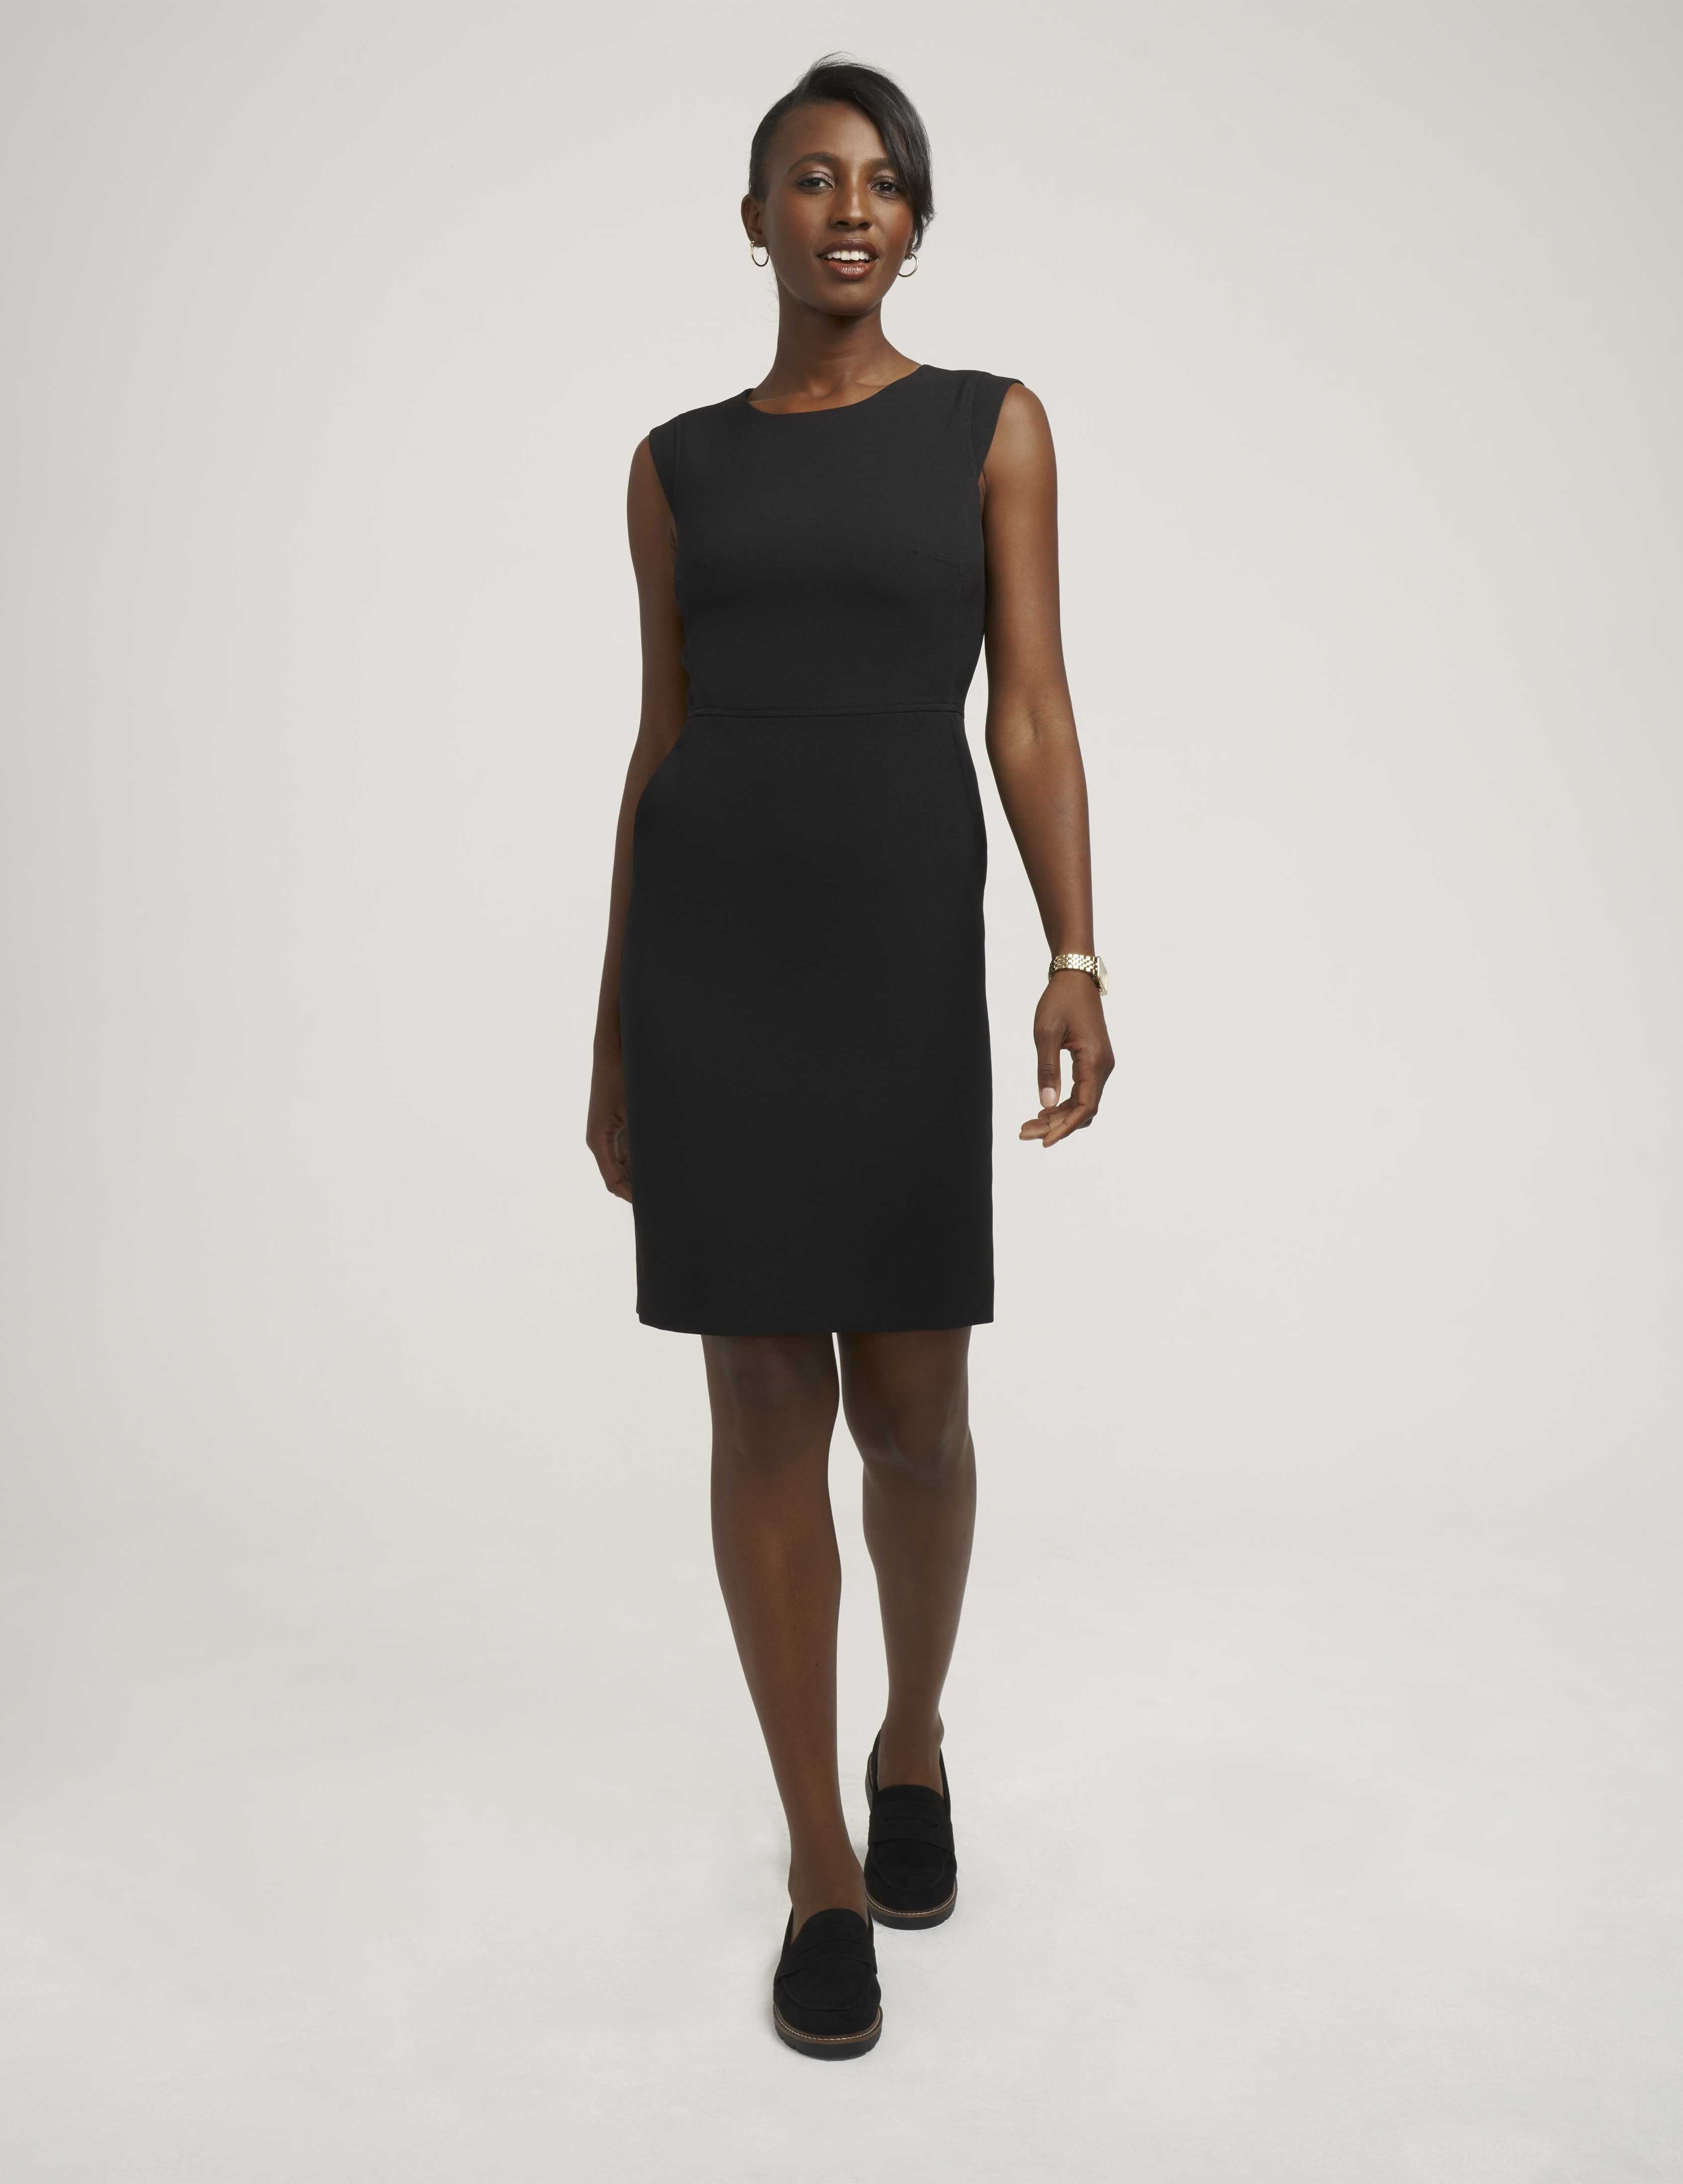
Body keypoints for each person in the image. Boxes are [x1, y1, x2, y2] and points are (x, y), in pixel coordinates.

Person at [586, 54, 1113, 2060]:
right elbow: (658, 744)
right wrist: (615, 1028)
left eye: (882, 180)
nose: (849, 210)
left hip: (898, 969)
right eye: (811, 180)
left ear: (916, 219)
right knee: (755, 1418)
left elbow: (1030, 712)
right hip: (712, 969)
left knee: (912, 1417)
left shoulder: (989, 429)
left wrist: (1073, 952)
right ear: (754, 221)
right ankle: (820, 1862)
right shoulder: (676, 468)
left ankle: (911, 1737)